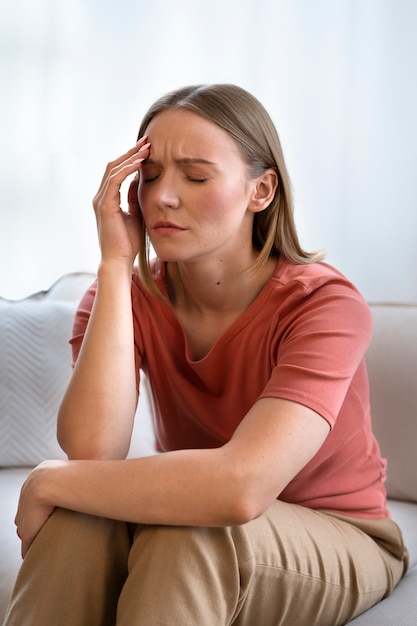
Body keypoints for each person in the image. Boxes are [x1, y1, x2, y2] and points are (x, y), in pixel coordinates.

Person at [4, 84, 408, 626]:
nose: (163, 197)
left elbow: (241, 488)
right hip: (202, 514)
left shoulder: (323, 304)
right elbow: (92, 450)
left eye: (195, 176)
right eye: (148, 177)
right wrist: (113, 266)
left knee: (193, 534)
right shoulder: (122, 297)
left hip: (340, 532)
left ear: (261, 191)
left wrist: (46, 480)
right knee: (78, 518)